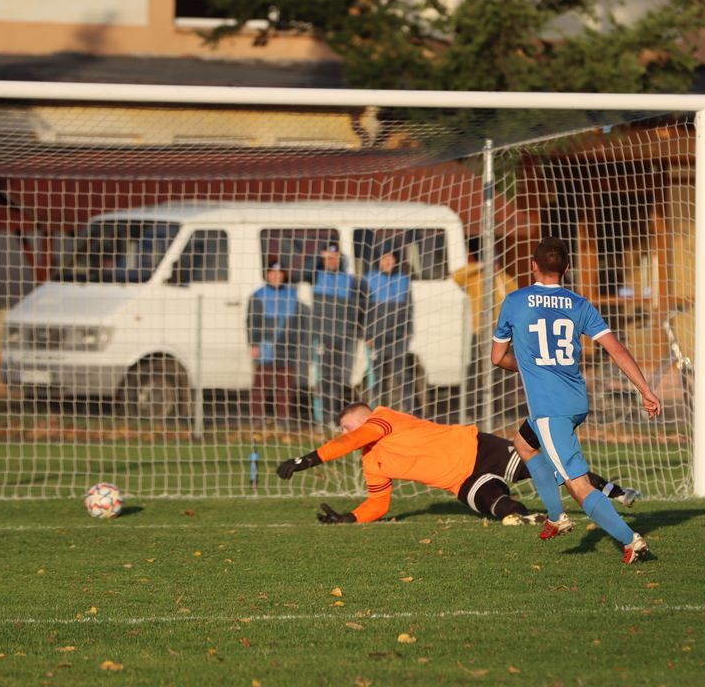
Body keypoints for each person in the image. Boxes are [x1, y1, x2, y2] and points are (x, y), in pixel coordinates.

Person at [491, 236, 662, 564]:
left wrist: (529, 364)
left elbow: (498, 357)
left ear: (533, 266)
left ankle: (630, 540)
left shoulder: (515, 301)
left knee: (579, 485)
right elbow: (617, 350)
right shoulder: (579, 305)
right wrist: (645, 389)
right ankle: (556, 516)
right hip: (575, 401)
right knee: (524, 444)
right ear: (567, 269)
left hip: (550, 410)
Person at [275, 402, 640, 524]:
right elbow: (378, 503)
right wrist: (348, 518)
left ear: (361, 417)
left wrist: (306, 460)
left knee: (548, 470)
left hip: (478, 448)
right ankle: (534, 518)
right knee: (498, 508)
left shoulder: (382, 419)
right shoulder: (372, 464)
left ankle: (615, 491)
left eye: (344, 425)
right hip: (460, 481)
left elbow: (351, 440)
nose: (343, 433)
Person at [452, 236, 519, 420]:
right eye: (491, 261)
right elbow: (456, 277)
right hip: (480, 332)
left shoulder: (505, 280)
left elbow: (516, 303)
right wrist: (480, 265)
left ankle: (498, 410)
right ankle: (474, 410)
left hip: (503, 335)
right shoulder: (476, 278)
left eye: (496, 261)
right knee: (476, 372)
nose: (494, 265)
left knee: (501, 373)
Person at [310, 242, 364, 427]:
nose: (331, 261)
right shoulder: (316, 276)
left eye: (335, 257)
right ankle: (322, 418)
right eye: (328, 258)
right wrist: (318, 258)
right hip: (323, 338)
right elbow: (300, 272)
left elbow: (359, 307)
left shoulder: (349, 280)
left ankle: (334, 418)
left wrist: (355, 330)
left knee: (338, 379)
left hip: (343, 338)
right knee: (322, 378)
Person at [246, 259, 303, 423]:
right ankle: (257, 417)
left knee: (284, 385)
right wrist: (253, 344)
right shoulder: (258, 295)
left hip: (287, 346)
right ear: (267, 275)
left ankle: (283, 418)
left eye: (280, 273)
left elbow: (299, 321)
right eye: (273, 273)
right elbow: (252, 321)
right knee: (261, 383)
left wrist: (296, 340)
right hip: (266, 346)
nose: (276, 276)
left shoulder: (292, 294)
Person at [363, 248, 414, 413]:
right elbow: (363, 309)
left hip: (398, 336)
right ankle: (376, 411)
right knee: (377, 377)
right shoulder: (368, 280)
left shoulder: (403, 280)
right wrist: (367, 335)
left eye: (391, 259)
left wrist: (408, 330)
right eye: (385, 259)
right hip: (376, 337)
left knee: (403, 376)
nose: (388, 262)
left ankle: (411, 412)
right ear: (379, 261)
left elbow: (409, 307)